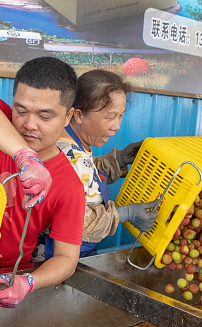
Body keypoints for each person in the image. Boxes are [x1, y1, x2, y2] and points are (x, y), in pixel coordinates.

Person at [0, 57, 85, 308]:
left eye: (45, 116)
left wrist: (29, 282)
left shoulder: (69, 185)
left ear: (69, 116)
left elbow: (67, 258)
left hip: (2, 277)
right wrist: (24, 155)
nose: (29, 125)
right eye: (21, 110)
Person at [35, 70, 155, 259]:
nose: (117, 126)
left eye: (120, 116)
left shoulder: (64, 143)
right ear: (79, 115)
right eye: (110, 117)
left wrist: (117, 161)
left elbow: (84, 175)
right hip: (57, 258)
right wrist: (124, 214)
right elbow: (76, 222)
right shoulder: (70, 156)